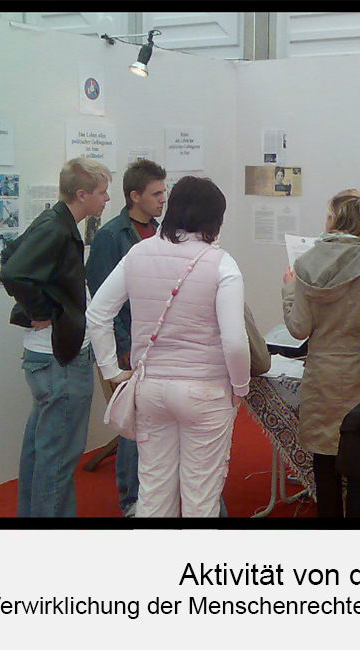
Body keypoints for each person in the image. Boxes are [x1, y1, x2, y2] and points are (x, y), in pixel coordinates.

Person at [86, 176, 250, 518]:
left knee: (153, 491)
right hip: (205, 391)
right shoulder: (222, 263)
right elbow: (235, 340)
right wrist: (241, 386)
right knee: (200, 497)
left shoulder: (138, 253)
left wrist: (112, 372)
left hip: (151, 389)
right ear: (215, 218)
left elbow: (97, 314)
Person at [0, 157, 112, 517]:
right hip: (60, 361)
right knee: (59, 458)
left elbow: (10, 254)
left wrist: (42, 307)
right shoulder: (57, 228)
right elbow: (13, 272)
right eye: (102, 192)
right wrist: (41, 310)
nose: (107, 198)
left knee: (42, 452)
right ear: (82, 194)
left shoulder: (55, 222)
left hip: (50, 358)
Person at [282, 189, 360, 518]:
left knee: (324, 465)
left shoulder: (305, 263)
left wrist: (289, 289)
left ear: (335, 220)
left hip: (321, 376)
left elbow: (298, 328)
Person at [85, 158, 167, 518]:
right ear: (135, 196)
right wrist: (121, 347)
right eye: (156, 193)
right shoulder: (110, 237)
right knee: (134, 426)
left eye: (163, 192)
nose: (163, 199)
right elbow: (102, 297)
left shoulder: (161, 231)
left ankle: (154, 494)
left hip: (155, 344)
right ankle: (131, 501)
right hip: (127, 346)